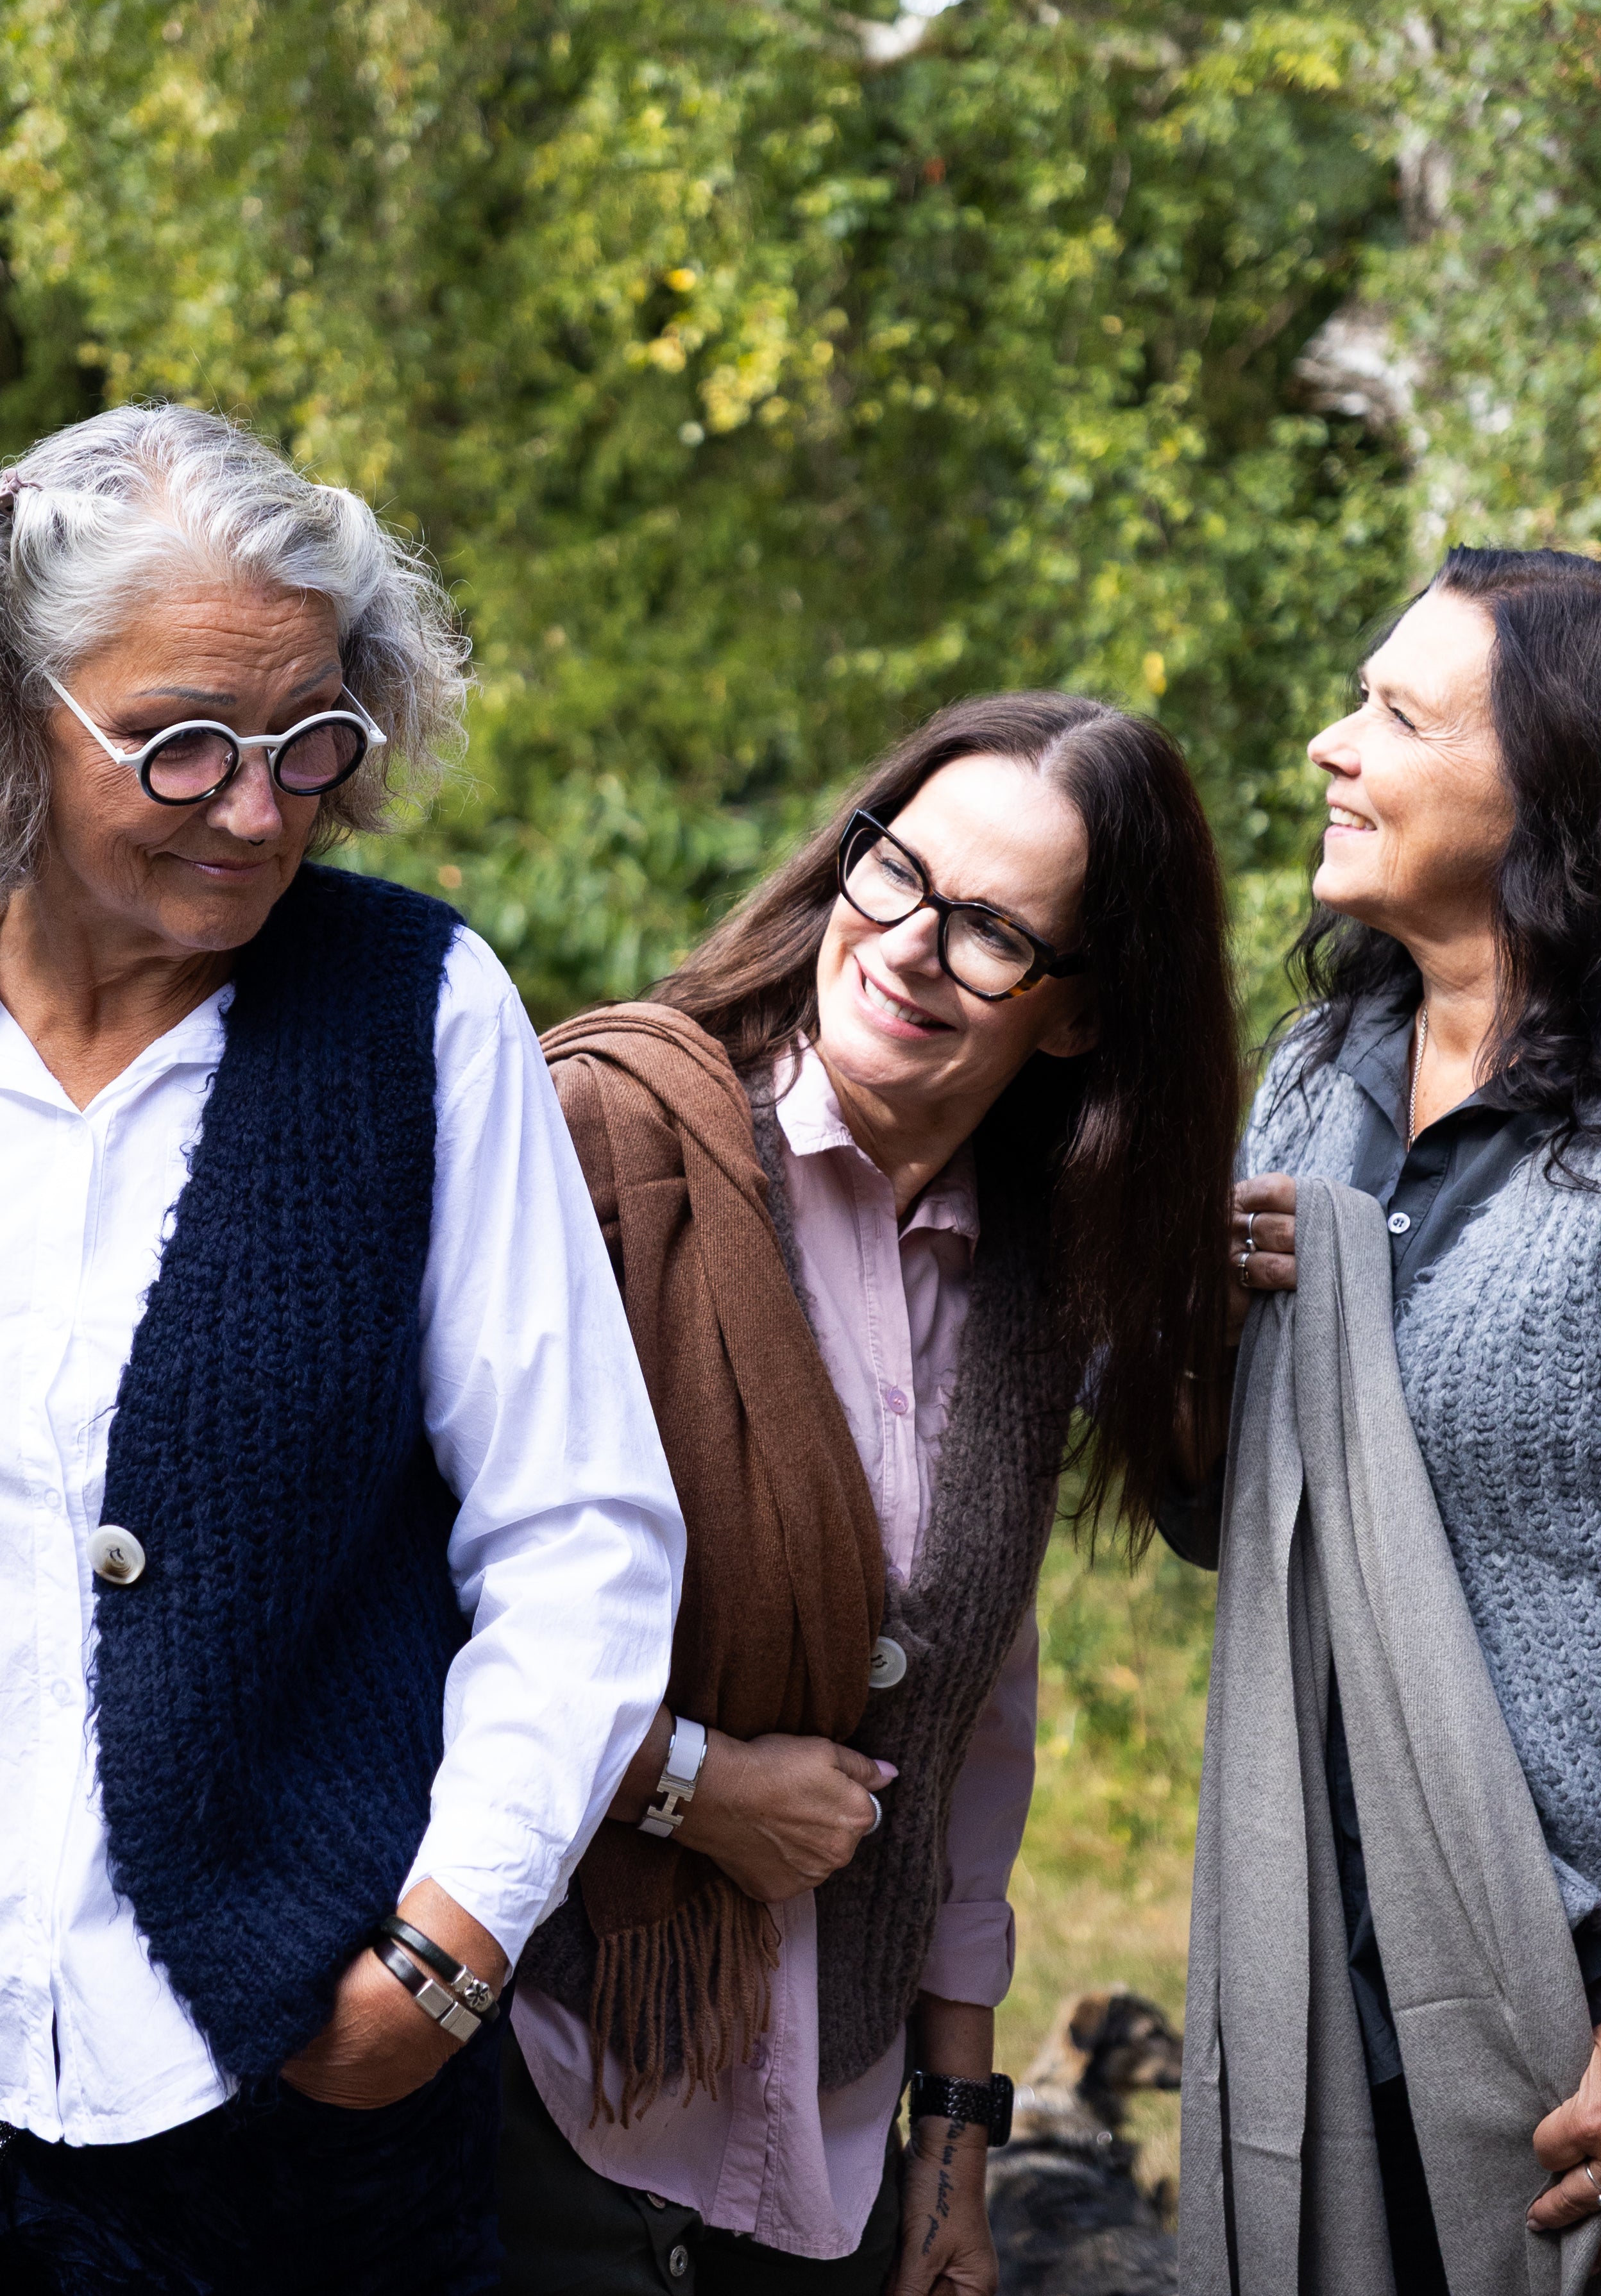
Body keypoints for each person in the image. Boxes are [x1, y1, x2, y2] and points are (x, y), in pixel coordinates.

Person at [0, 405, 684, 2296]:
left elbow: (580, 1528)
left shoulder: (416, 1013)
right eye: (183, 744)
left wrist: (451, 1949)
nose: (260, 811)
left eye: (311, 740)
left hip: (292, 2108)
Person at [498, 691, 1242, 2295]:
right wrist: (689, 1785)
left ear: (1080, 1016)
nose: (908, 945)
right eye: (894, 871)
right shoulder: (610, 1147)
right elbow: (404, 1601)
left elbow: (974, 1734)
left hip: (832, 2143)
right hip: (546, 2084)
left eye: (994, 932)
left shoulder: (1038, 1287)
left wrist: (954, 2141)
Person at [1183, 547, 1601, 2289]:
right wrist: (1197, 1333)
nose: (1331, 745)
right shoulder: (1311, 1078)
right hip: (1320, 1955)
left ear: (1554, 790)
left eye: (1401, 717)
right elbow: (1221, 1514)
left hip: (1559, 1985)